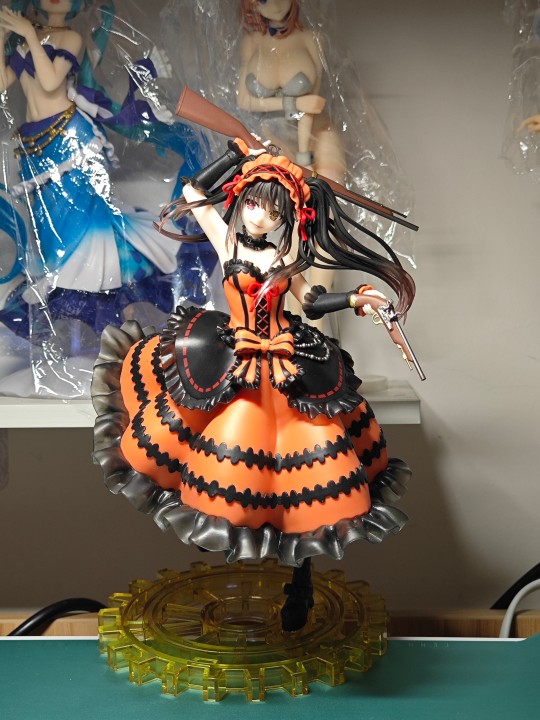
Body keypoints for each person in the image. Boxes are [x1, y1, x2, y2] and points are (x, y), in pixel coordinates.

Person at [92, 139, 415, 632]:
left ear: (286, 218)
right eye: (256, 205)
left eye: (274, 211)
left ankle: (301, 578)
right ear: (242, 199)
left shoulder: (287, 256)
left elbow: (312, 302)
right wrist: (233, 155)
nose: (262, 217)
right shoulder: (228, 241)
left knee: (307, 467)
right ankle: (223, 530)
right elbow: (194, 191)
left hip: (285, 361)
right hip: (234, 355)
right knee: (203, 440)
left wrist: (357, 298)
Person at [0, 1, 202, 395]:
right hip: (34, 149)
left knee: (82, 233)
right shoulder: (25, 40)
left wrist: (25, 35)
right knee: (52, 241)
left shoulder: (70, 38)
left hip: (70, 142)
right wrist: (6, 35)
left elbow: (49, 82)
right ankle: (78, 337)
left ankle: (107, 328)